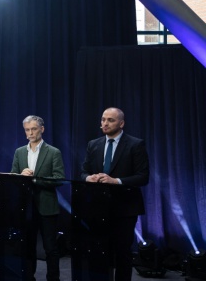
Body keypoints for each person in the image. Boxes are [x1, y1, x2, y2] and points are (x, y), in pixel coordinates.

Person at [81, 107, 149, 281]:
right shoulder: (93, 144)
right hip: (98, 207)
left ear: (121, 123)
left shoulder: (135, 144)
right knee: (98, 251)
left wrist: (116, 181)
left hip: (125, 209)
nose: (105, 123)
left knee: (122, 253)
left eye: (110, 120)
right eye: (103, 119)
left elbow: (143, 177)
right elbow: (83, 172)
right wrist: (89, 177)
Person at [11, 115, 65, 281]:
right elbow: (12, 176)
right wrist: (21, 176)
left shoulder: (53, 152)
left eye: (34, 129)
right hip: (26, 207)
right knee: (27, 246)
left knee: (50, 247)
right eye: (27, 130)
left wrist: (35, 179)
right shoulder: (19, 152)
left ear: (42, 129)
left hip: (47, 206)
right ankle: (28, 276)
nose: (30, 133)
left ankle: (53, 278)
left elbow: (59, 178)